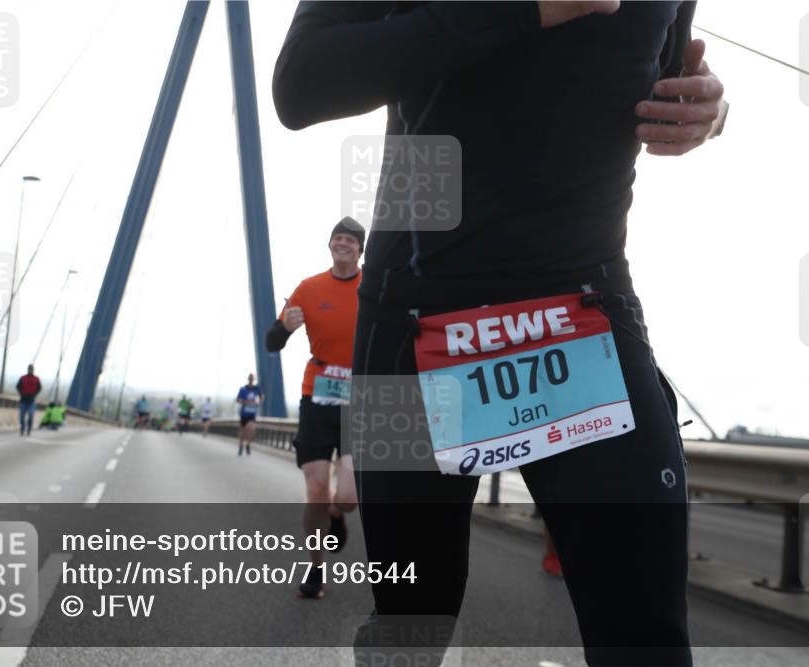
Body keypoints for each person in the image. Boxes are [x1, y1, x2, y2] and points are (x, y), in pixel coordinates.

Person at [274, 1, 726, 664]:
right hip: (418, 323)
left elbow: (655, 77)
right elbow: (302, 83)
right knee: (410, 630)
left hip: (581, 315)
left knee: (645, 636)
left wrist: (706, 114)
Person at [265, 217, 365, 599]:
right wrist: (285, 328)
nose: (342, 244)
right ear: (330, 245)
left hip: (360, 403)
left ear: (359, 250)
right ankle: (315, 570)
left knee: (349, 499)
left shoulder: (372, 287)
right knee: (317, 490)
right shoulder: (308, 288)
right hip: (317, 396)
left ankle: (338, 515)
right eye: (337, 238)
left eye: (350, 240)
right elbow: (272, 341)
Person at [236, 374, 262, 456]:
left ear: (254, 379)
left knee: (252, 429)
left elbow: (262, 396)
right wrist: (245, 402)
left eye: (252, 378)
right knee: (243, 432)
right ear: (248, 379)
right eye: (250, 377)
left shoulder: (257, 389)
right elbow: (237, 400)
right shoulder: (243, 389)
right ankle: (241, 446)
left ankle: (248, 444)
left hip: (252, 414)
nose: (251, 379)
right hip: (244, 413)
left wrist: (258, 402)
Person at [16, 364, 42, 436]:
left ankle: (29, 429)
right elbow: (18, 386)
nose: (30, 370)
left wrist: (34, 394)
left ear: (33, 370)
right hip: (23, 400)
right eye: (29, 369)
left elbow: (39, 388)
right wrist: (22, 393)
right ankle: (22, 429)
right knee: (22, 416)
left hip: (31, 401)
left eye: (32, 369)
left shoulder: (36, 379)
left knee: (31, 415)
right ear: (28, 369)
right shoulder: (23, 378)